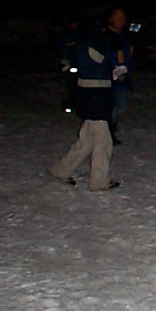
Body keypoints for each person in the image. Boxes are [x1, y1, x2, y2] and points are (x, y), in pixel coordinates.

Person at [48, 21, 120, 191]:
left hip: (88, 96)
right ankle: (99, 180)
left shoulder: (80, 47)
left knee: (87, 140)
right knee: (103, 142)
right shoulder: (93, 47)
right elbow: (99, 63)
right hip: (96, 97)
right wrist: (113, 72)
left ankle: (61, 169)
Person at [104, 7, 134, 144]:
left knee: (120, 105)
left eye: (123, 17)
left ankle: (110, 131)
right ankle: (108, 133)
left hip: (121, 78)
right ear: (110, 19)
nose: (121, 21)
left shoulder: (124, 37)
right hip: (110, 79)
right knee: (115, 105)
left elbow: (127, 57)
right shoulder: (106, 37)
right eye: (117, 17)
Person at [55, 13, 80, 114]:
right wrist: (63, 62)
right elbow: (59, 50)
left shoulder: (79, 35)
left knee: (78, 85)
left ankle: (77, 104)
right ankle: (68, 105)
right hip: (68, 64)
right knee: (70, 86)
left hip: (77, 63)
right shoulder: (64, 35)